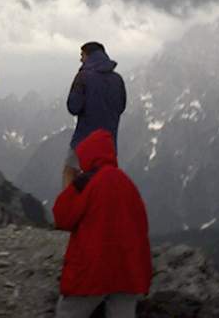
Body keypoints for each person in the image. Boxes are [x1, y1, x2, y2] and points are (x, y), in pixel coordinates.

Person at [53, 129, 151, 318]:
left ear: (89, 155)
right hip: (128, 271)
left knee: (68, 313)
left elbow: (62, 218)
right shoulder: (127, 183)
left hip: (92, 271)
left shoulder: (86, 182)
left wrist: (69, 181)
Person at [64, 42, 126, 187]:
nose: (80, 59)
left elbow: (73, 107)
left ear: (89, 56)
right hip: (109, 143)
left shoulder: (83, 77)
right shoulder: (118, 80)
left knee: (70, 171)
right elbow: (121, 107)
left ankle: (70, 200)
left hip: (84, 140)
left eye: (82, 55)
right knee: (101, 181)